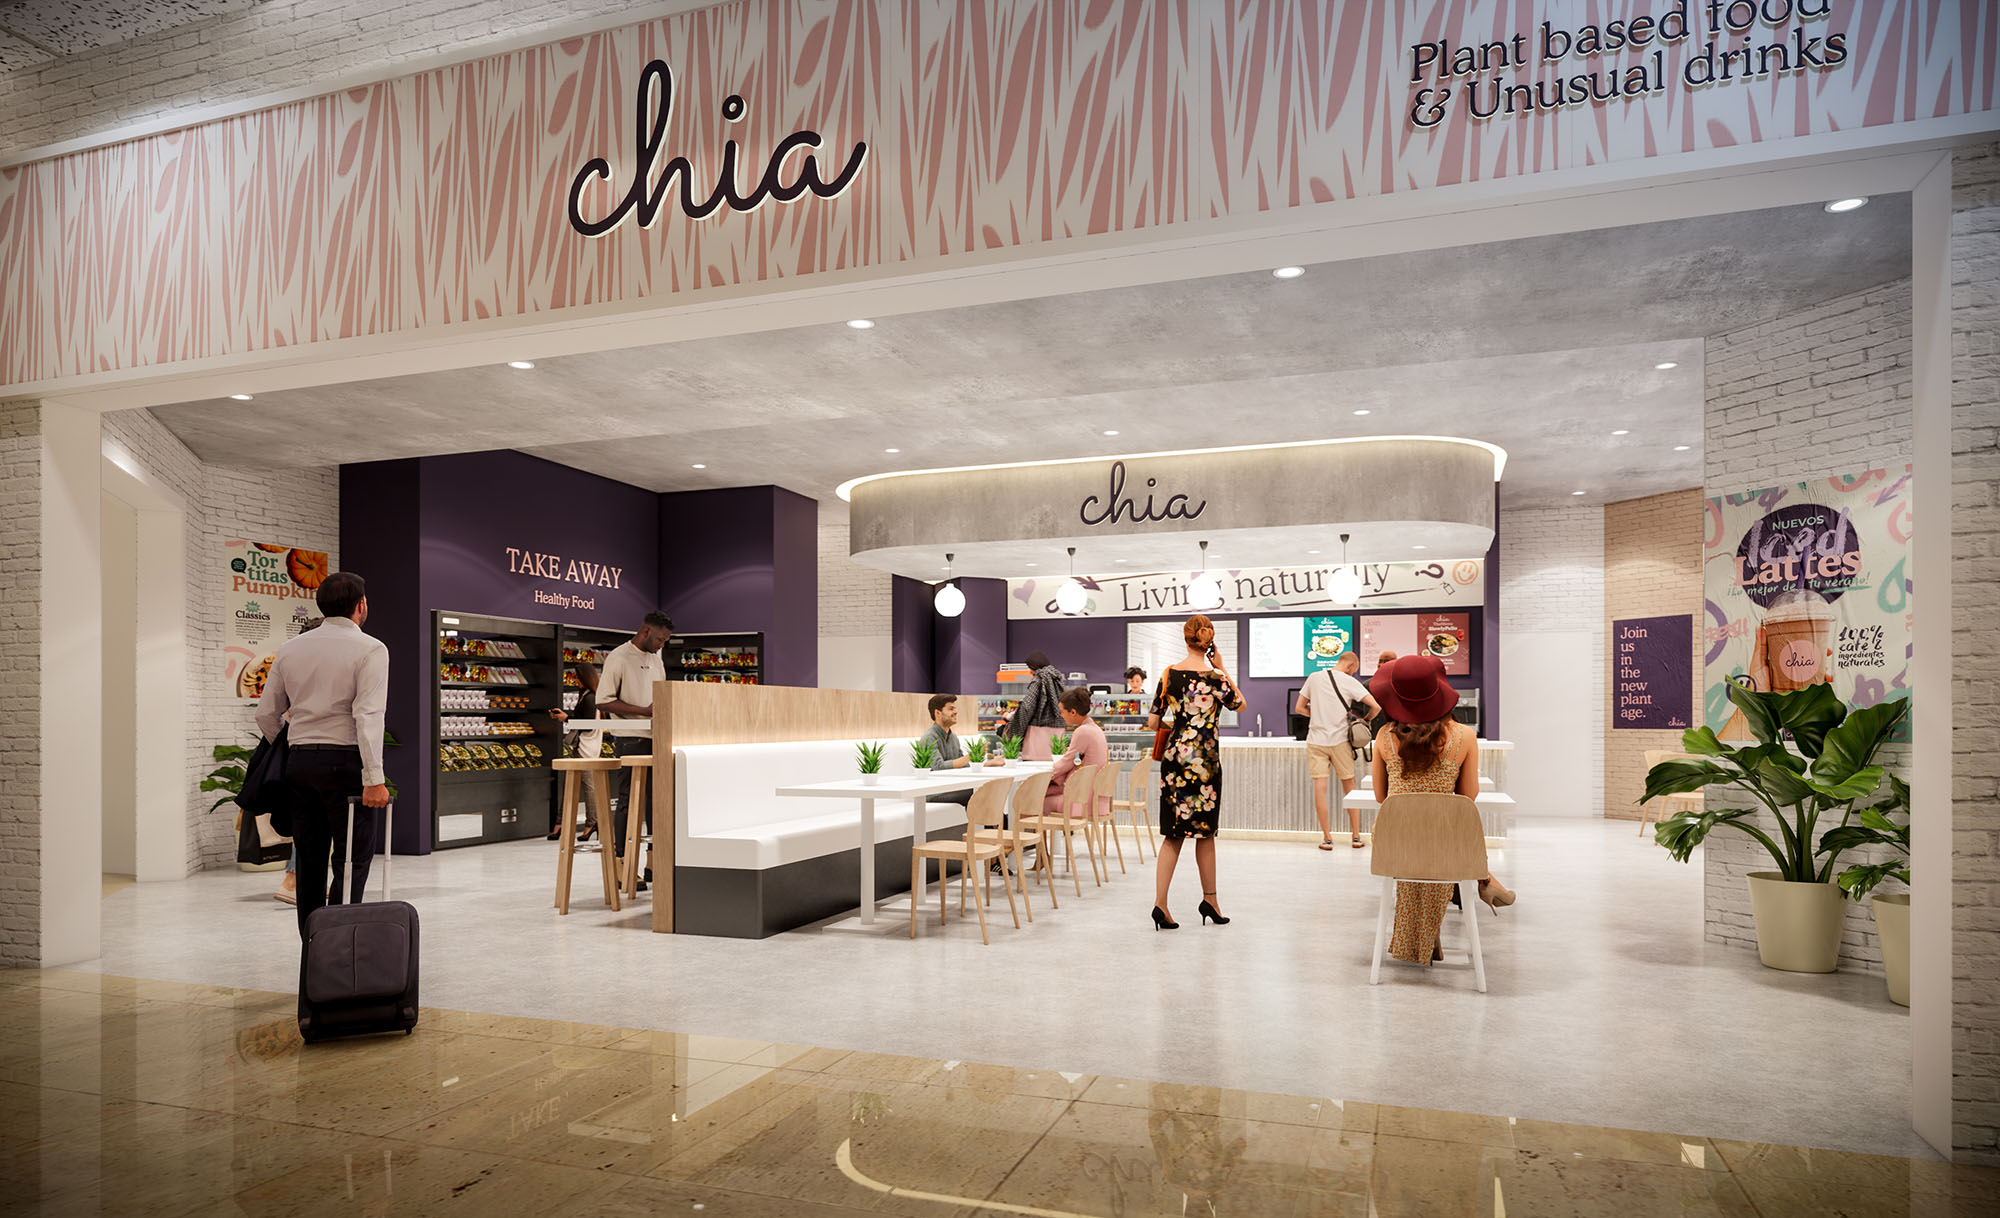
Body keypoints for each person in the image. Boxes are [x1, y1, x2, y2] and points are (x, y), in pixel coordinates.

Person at [255, 573, 389, 939]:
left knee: (309, 858)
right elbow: (368, 715)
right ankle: (341, 943)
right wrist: (374, 778)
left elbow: (266, 714)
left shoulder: (290, 648)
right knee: (351, 859)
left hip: (299, 764)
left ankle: (313, 945)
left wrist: (291, 745)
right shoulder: (371, 649)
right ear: (361, 605)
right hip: (345, 764)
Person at [1370, 654, 1516, 965]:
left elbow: (1382, 797)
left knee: (1417, 835)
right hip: (1447, 846)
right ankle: (1485, 879)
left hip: (1395, 845)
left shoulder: (1383, 737)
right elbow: (1467, 797)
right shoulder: (1464, 737)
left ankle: (1422, 938)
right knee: (1446, 833)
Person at [1144, 614, 1244, 930]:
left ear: (1185, 638)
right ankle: (1210, 900)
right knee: (1206, 833)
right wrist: (1222, 667)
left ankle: (1160, 904)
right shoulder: (1216, 678)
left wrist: (1181, 723)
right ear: (1208, 641)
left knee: (1172, 835)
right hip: (1205, 762)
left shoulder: (1168, 674)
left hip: (1174, 761)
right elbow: (1240, 704)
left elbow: (1153, 722)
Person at [599, 611, 672, 888]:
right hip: (630, 738)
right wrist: (643, 710)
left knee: (657, 802)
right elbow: (603, 701)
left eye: (665, 641)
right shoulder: (619, 657)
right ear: (646, 631)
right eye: (660, 639)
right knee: (629, 802)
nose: (662, 644)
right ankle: (623, 865)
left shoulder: (656, 658)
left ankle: (654, 862)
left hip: (657, 736)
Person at [1295, 651, 1380, 850]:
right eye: (1354, 670)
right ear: (1351, 666)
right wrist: (1364, 721)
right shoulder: (1349, 681)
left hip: (1316, 741)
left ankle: (1326, 838)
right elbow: (1376, 707)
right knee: (1350, 786)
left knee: (1320, 787)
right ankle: (1356, 837)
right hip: (1341, 741)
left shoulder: (1314, 677)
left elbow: (1299, 708)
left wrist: (1318, 715)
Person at [547, 663, 601, 840]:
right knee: (570, 785)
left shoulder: (590, 697)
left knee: (586, 786)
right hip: (585, 747)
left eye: (577, 677)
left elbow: (587, 725)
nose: (575, 680)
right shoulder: (588, 696)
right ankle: (562, 822)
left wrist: (566, 719)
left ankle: (591, 823)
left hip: (586, 748)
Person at [1044, 686, 1109, 814]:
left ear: (1073, 712)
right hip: (1094, 797)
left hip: (1081, 800)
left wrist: (1045, 775)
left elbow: (1067, 762)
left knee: (1032, 801)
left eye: (1062, 712)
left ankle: (1025, 829)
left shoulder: (1083, 731)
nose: (1061, 715)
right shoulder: (1095, 729)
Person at [918, 693, 979, 806]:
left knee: (983, 789)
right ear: (937, 713)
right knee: (977, 792)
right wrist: (971, 756)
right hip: (934, 793)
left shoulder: (953, 737)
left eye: (955, 709)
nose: (955, 712)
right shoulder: (929, 738)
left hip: (953, 788)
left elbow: (964, 765)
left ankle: (1000, 818)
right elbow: (938, 767)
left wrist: (988, 764)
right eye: (951, 709)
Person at [1003, 650, 1064, 760]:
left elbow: (1027, 707)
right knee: (1054, 765)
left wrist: (1012, 719)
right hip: (1058, 732)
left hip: (1037, 733)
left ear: (1033, 666)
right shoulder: (1056, 678)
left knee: (1034, 768)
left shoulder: (1038, 680)